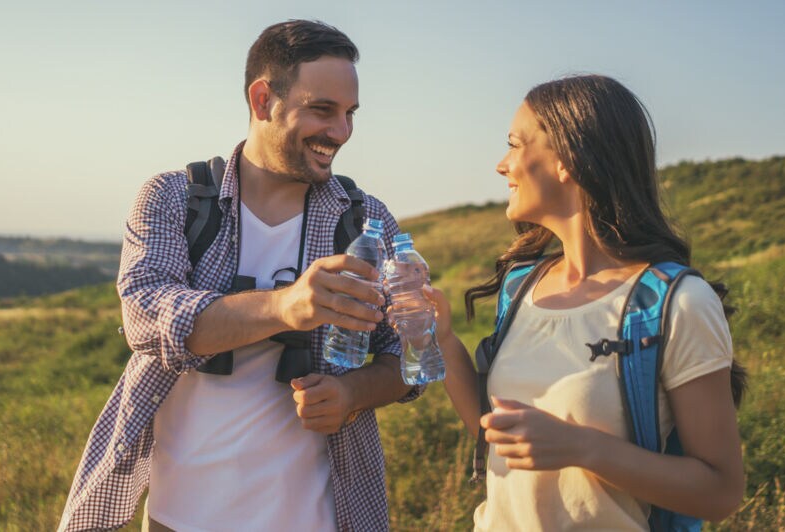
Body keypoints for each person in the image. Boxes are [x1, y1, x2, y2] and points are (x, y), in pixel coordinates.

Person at [57, 20, 417, 532]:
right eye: (323, 110)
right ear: (262, 98)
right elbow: (145, 318)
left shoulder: (366, 221)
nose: (341, 132)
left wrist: (353, 395)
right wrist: (285, 306)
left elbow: (407, 359)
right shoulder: (173, 198)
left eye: (349, 114)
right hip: (178, 517)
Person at [423, 75, 746, 530]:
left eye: (515, 145)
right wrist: (440, 337)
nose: (501, 164)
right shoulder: (522, 287)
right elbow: (495, 435)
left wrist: (583, 448)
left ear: (567, 160)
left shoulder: (675, 303)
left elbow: (721, 491)